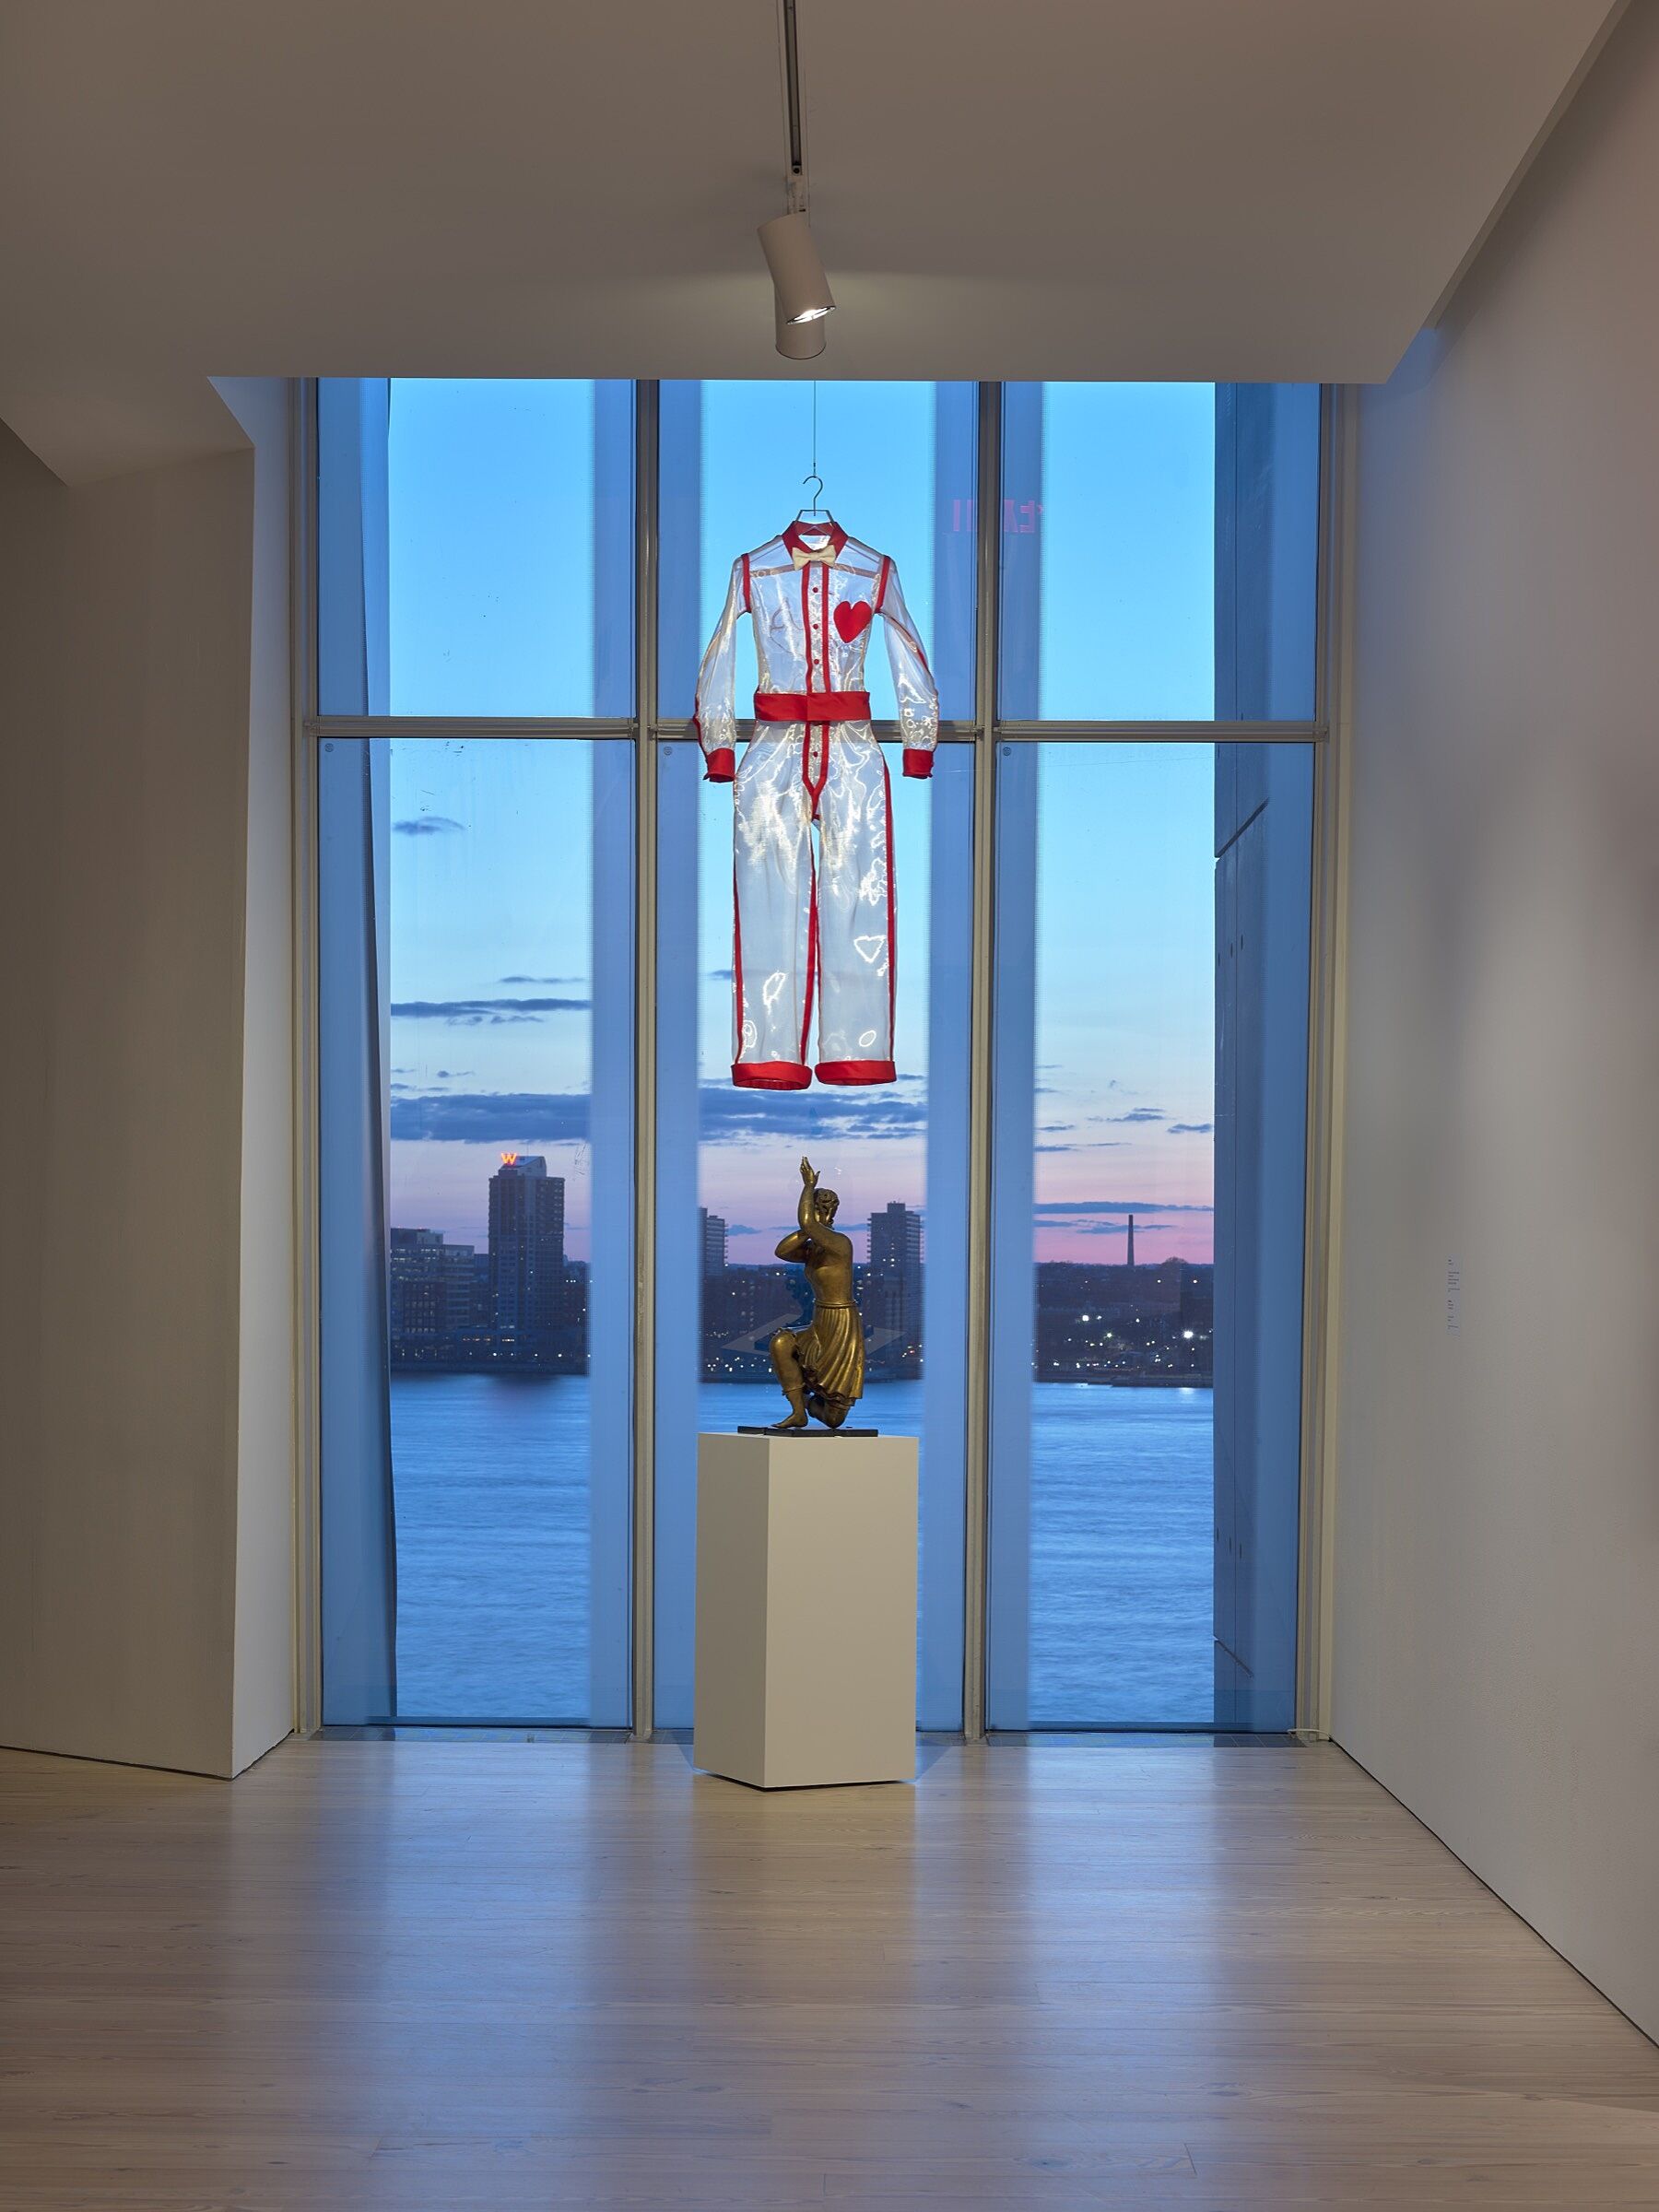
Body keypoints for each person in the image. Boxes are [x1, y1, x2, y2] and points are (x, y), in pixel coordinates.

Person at [768, 1156, 865, 1430]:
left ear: (833, 1211)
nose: (824, 1213)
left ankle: (810, 1397)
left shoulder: (840, 1244)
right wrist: (807, 1228)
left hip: (840, 1322)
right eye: (818, 1208)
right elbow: (782, 1251)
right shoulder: (815, 1249)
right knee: (781, 1343)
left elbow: (810, 1224)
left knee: (833, 1419)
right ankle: (798, 1412)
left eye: (826, 1208)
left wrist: (808, 1187)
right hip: (820, 1319)